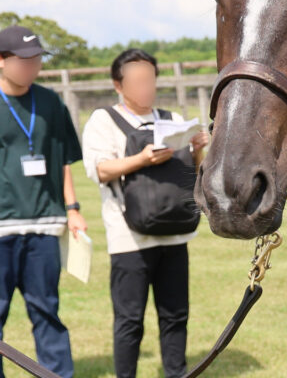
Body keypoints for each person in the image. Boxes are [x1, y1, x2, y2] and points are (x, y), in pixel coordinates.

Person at [81, 49, 208, 378]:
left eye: (150, 79)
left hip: (175, 230)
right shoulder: (103, 120)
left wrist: (197, 150)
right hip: (130, 238)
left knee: (176, 314)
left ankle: (175, 374)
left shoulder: (173, 119)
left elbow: (191, 171)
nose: (146, 87)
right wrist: (142, 159)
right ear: (118, 85)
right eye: (137, 81)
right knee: (129, 319)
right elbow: (100, 169)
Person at [0, 25, 85, 378]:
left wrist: (73, 208)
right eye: (25, 60)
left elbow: (62, 158)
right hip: (2, 228)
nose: (33, 67)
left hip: (46, 226)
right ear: (2, 61)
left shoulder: (50, 101)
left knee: (46, 310)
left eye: (37, 60)